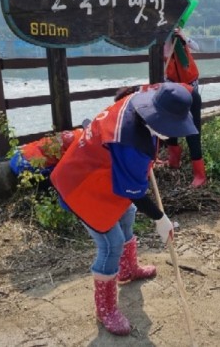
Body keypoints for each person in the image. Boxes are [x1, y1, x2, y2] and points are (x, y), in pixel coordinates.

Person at [50, 83, 197, 336]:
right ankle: (105, 308)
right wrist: (160, 218)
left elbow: (132, 187)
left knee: (127, 213)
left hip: (103, 173)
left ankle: (128, 270)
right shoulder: (129, 141)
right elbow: (137, 193)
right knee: (111, 243)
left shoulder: (137, 102)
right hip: (82, 185)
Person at [162, 26, 206, 187]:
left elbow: (197, 47)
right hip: (173, 90)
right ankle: (173, 161)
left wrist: (183, 37)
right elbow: (165, 63)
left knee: (192, 130)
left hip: (190, 89)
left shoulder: (180, 40)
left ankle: (200, 175)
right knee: (170, 126)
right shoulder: (161, 46)